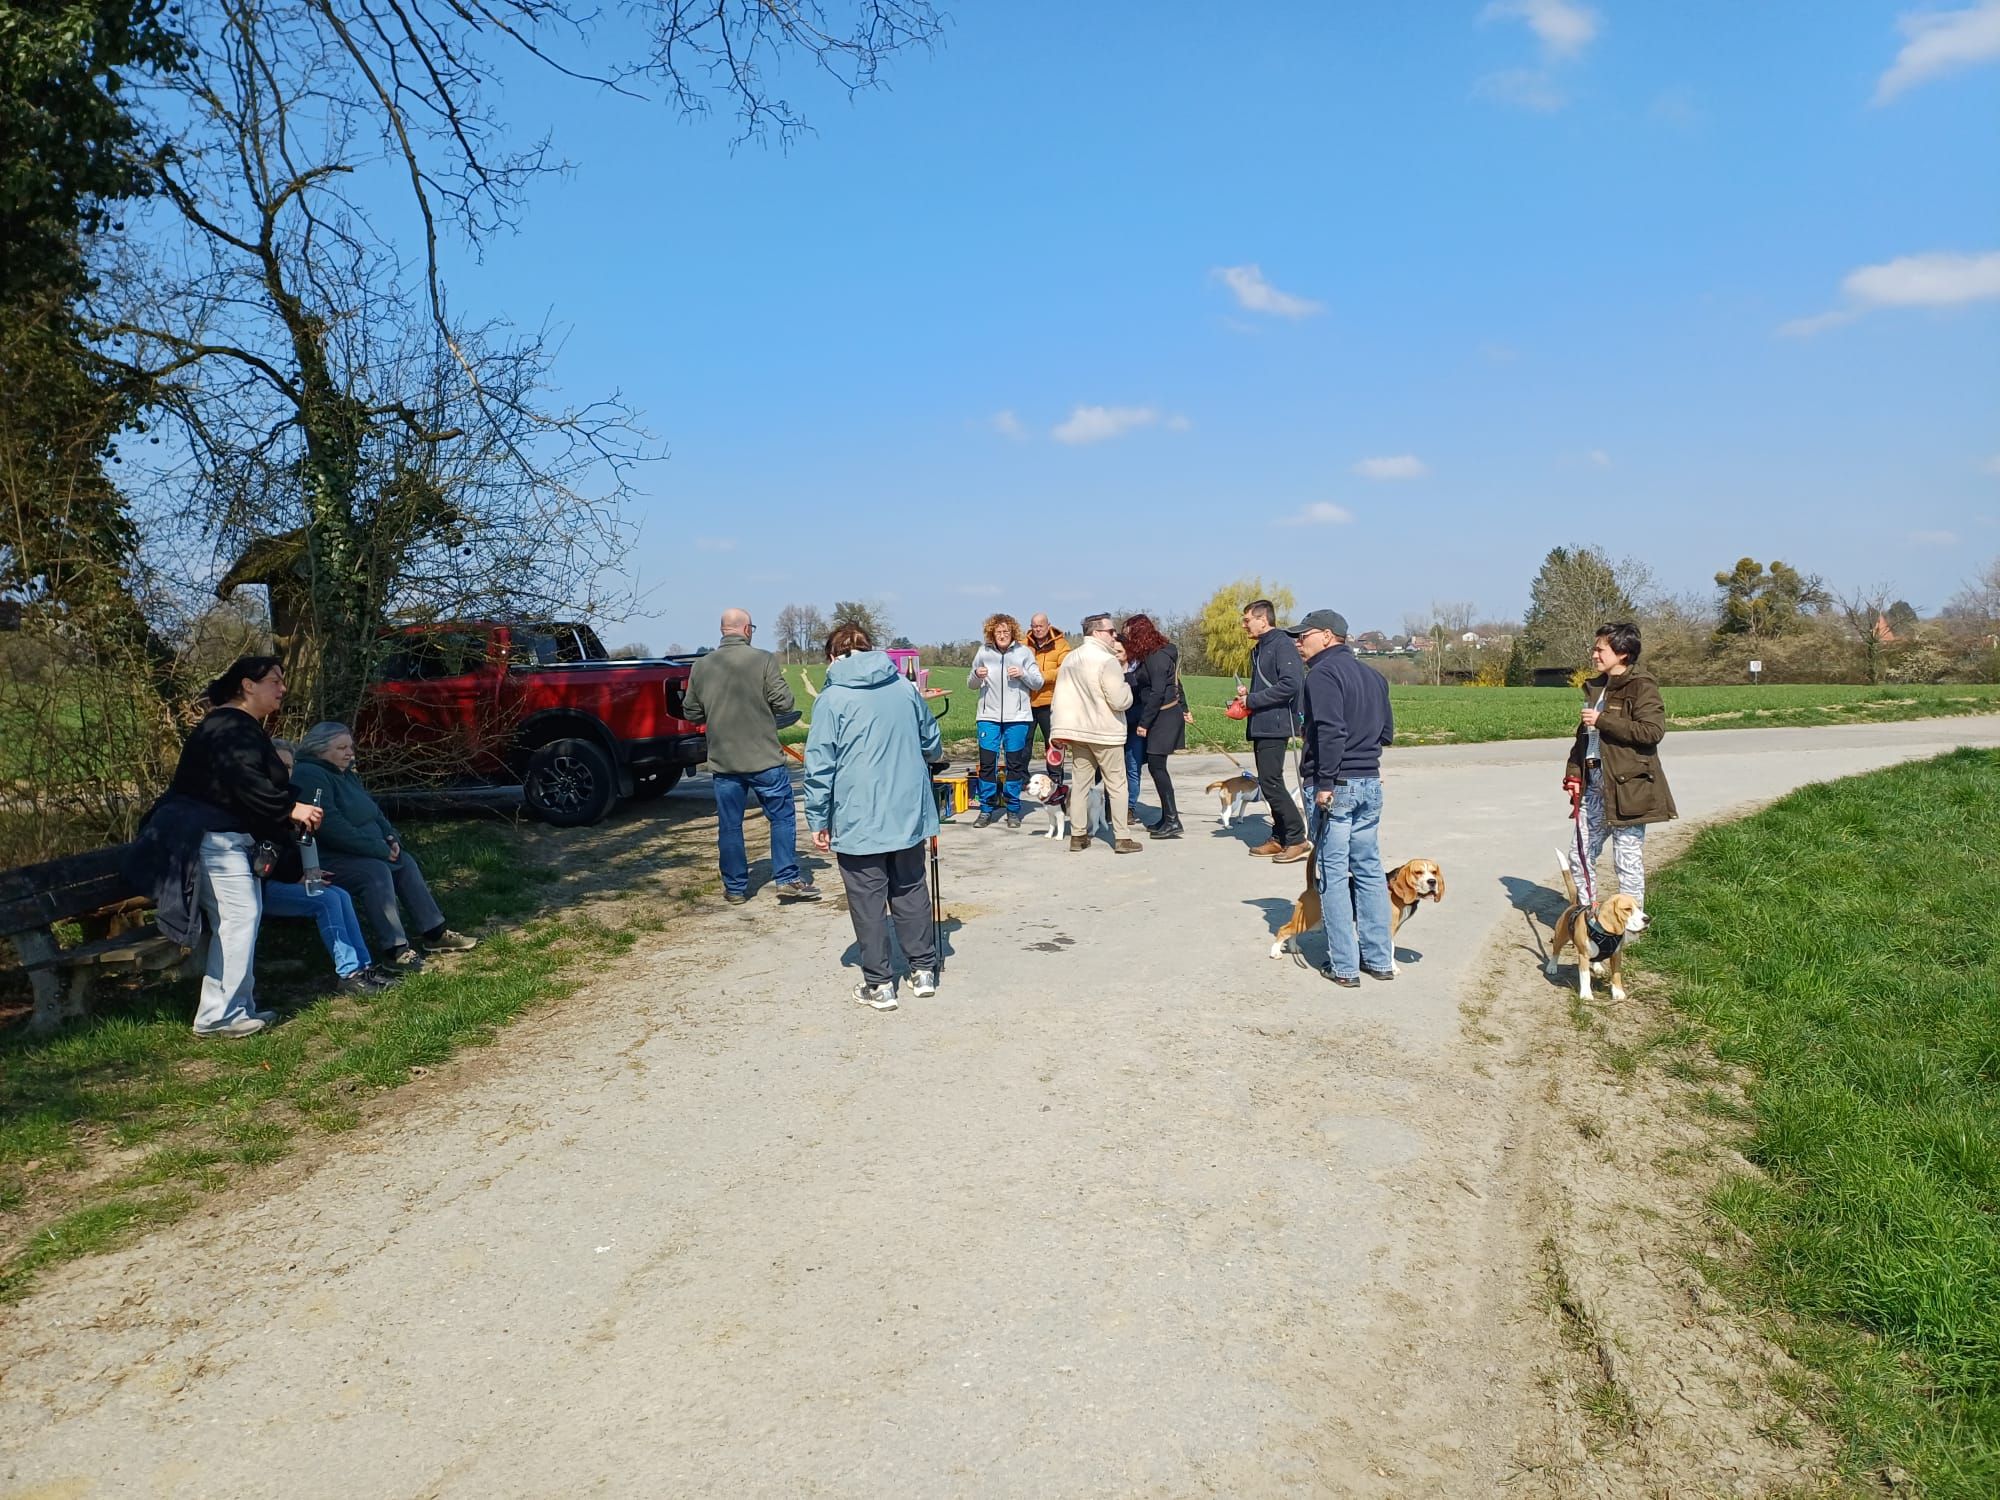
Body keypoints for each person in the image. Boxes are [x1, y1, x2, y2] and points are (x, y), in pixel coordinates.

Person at [129, 656, 324, 1039]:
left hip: (221, 837)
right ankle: (219, 1016)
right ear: (247, 685)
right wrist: (289, 808)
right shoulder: (229, 725)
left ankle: (236, 1009)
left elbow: (249, 784)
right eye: (274, 681)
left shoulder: (237, 726)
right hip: (212, 838)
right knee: (240, 916)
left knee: (240, 918)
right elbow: (242, 779)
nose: (282, 688)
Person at [804, 622, 944, 1012]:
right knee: (910, 887)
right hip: (907, 809)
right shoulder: (904, 688)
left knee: (867, 899)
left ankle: (880, 984)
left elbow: (819, 765)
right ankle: (923, 970)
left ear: (832, 657)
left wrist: (817, 818)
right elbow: (932, 742)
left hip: (858, 814)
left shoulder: (831, 699)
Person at [289, 722, 479, 969]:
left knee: (405, 862)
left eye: (350, 747)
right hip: (330, 858)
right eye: (341, 748)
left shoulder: (345, 773)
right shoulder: (310, 774)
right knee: (374, 873)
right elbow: (332, 827)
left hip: (368, 849)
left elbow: (373, 811)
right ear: (319, 750)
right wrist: (378, 850)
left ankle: (434, 932)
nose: (350, 753)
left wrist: (391, 837)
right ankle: (395, 950)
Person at [684, 607, 820, 904]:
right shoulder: (763, 660)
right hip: (764, 758)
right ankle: (786, 878)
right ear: (747, 630)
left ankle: (735, 887)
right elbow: (784, 703)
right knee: (781, 817)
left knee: (730, 825)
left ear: (723, 630)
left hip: (724, 761)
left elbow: (691, 711)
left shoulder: (702, 666)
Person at [1294, 610, 1396, 988]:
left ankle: (1344, 966)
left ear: (1326, 635)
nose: (1298, 643)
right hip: (1369, 781)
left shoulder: (1322, 674)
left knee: (1334, 875)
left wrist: (1325, 782)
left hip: (1335, 785)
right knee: (1369, 870)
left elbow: (1331, 731)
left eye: (1303, 635)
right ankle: (1379, 960)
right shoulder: (1373, 676)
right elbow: (1386, 732)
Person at [1561, 622, 1676, 921]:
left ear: (1623, 653)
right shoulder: (1597, 687)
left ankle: (1630, 929)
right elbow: (1583, 738)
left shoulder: (1642, 686)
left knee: (1627, 864)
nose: (1594, 654)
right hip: (1593, 787)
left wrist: (1603, 721)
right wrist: (1574, 773)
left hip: (1629, 789)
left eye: (1601, 649)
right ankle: (1589, 920)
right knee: (1579, 856)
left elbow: (1652, 732)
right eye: (1595, 648)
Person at [267, 741, 395, 995]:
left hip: (288, 877)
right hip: (260, 885)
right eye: (278, 765)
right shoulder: (263, 804)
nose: (285, 772)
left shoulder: (291, 800)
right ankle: (348, 974)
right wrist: (295, 877)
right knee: (327, 900)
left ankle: (364, 968)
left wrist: (307, 871)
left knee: (340, 895)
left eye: (289, 767)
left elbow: (294, 851)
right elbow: (264, 858)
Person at [1049, 613, 1141, 854]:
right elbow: (1119, 700)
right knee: (1117, 784)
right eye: (1111, 631)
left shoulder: (1070, 658)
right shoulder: (1107, 661)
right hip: (1105, 731)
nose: (1114, 636)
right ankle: (1122, 837)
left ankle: (1078, 836)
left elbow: (1060, 697)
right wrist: (1128, 688)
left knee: (1080, 785)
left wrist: (1058, 731)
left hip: (1078, 732)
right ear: (1097, 632)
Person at [1234, 598, 1308, 863]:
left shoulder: (1281, 645)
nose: (1244, 625)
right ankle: (1279, 837)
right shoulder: (1261, 647)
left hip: (1275, 724)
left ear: (1263, 620)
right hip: (1262, 722)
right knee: (1268, 782)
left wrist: (1253, 699)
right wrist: (1249, 694)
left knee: (1271, 782)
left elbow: (1291, 684)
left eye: (1247, 620)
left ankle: (1296, 838)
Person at [968, 613, 1043, 828]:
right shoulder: (983, 652)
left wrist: (1022, 673)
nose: (1002, 635)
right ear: (991, 633)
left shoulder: (1023, 652)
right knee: (987, 765)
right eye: (998, 632)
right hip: (988, 717)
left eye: (1006, 632)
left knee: (1014, 765)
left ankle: (1013, 809)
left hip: (1017, 718)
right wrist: (977, 674)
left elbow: (1038, 682)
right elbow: (971, 684)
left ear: (1013, 633)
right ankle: (986, 809)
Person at [1122, 614, 1186, 840]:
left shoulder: (1156, 656)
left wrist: (1144, 723)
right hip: (1162, 715)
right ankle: (1167, 817)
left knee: (1158, 767)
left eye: (1129, 634)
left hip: (1163, 717)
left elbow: (1158, 692)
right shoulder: (1153, 654)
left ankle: (1173, 820)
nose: (1127, 638)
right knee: (1156, 766)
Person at [1025, 613, 1070, 765]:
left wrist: (1041, 677)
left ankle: (1055, 776)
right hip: (1027, 702)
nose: (1037, 629)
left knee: (1053, 742)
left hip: (1051, 701)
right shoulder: (1023, 644)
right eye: (1034, 626)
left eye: (1040, 626)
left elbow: (1064, 669)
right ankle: (1021, 775)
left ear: (1048, 626)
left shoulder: (1061, 645)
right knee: (1024, 742)